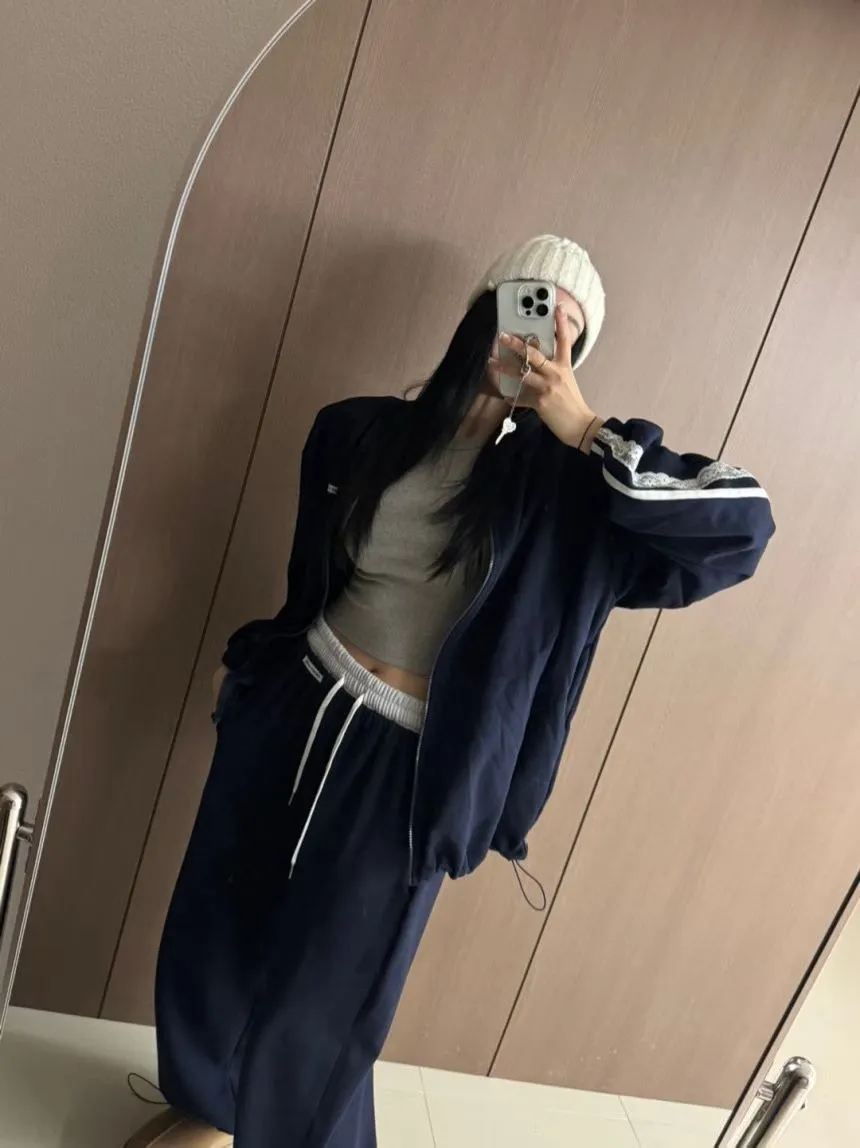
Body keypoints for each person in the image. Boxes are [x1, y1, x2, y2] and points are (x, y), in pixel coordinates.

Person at [126, 235, 774, 1148]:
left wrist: (586, 428)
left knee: (333, 989)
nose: (539, 336)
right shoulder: (358, 432)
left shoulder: (576, 500)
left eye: (567, 329)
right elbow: (312, 579)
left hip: (413, 763)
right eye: (527, 304)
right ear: (482, 311)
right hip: (297, 701)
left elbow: (742, 530)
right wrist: (259, 671)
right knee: (217, 919)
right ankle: (207, 1111)